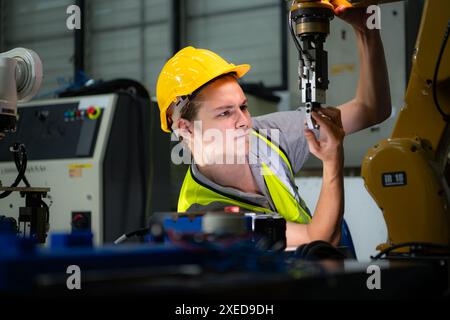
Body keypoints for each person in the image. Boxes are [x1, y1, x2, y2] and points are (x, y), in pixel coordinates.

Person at [155, 5, 391, 247]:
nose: (244, 122)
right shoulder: (203, 213)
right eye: (225, 113)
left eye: (243, 107)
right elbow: (320, 239)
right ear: (185, 128)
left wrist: (366, 30)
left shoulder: (266, 135)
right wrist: (332, 161)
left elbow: (371, 109)